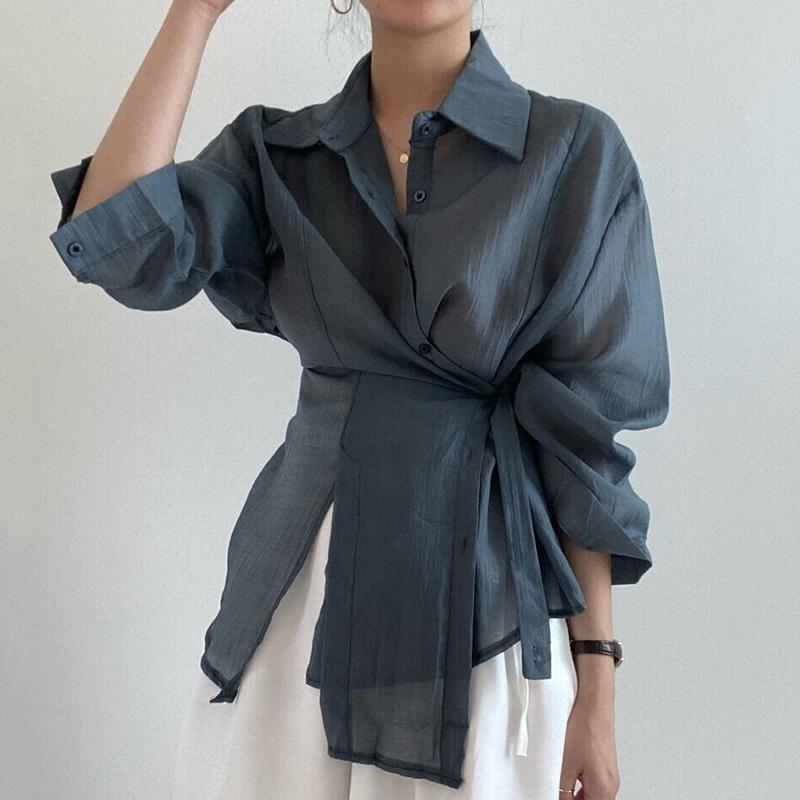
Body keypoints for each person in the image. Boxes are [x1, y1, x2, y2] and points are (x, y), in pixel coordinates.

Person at [47, 1, 670, 798]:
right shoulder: (279, 157)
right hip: (301, 609)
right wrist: (194, 12)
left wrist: (598, 690)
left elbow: (582, 447)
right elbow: (119, 242)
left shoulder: (574, 155)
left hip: (485, 622)